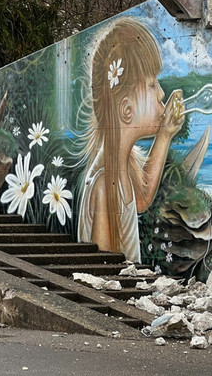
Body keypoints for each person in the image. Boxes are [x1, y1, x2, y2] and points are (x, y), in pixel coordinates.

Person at [77, 17, 184, 262]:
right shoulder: (105, 183)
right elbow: (102, 272)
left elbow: (142, 199)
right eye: (151, 84)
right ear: (127, 109)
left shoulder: (120, 164)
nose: (161, 93)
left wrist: (165, 134)